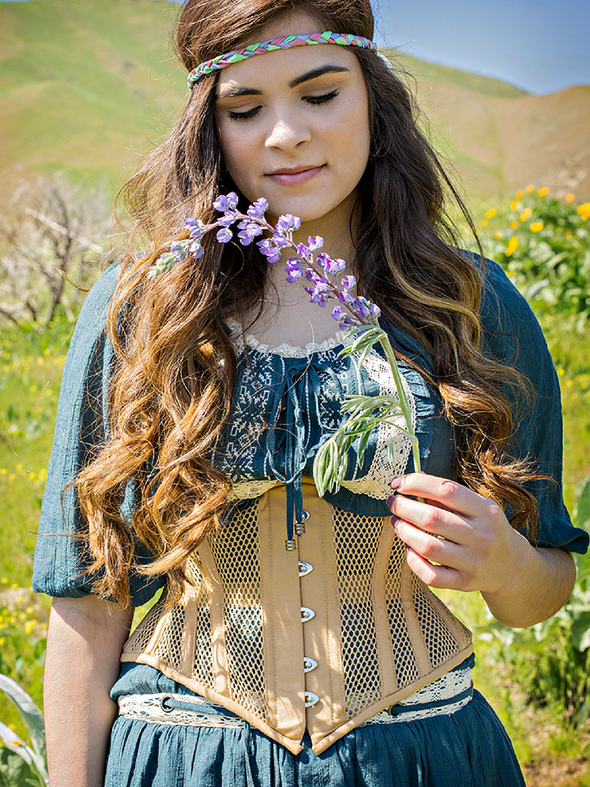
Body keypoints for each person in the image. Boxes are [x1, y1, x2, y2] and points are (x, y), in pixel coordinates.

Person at [32, 1, 588, 785]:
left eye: (319, 93)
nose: (284, 133)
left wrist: (504, 564)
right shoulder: (142, 310)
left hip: (422, 759)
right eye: (245, 107)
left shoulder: (472, 304)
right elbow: (88, 603)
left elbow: (543, 585)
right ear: (209, 126)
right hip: (186, 760)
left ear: (373, 97)